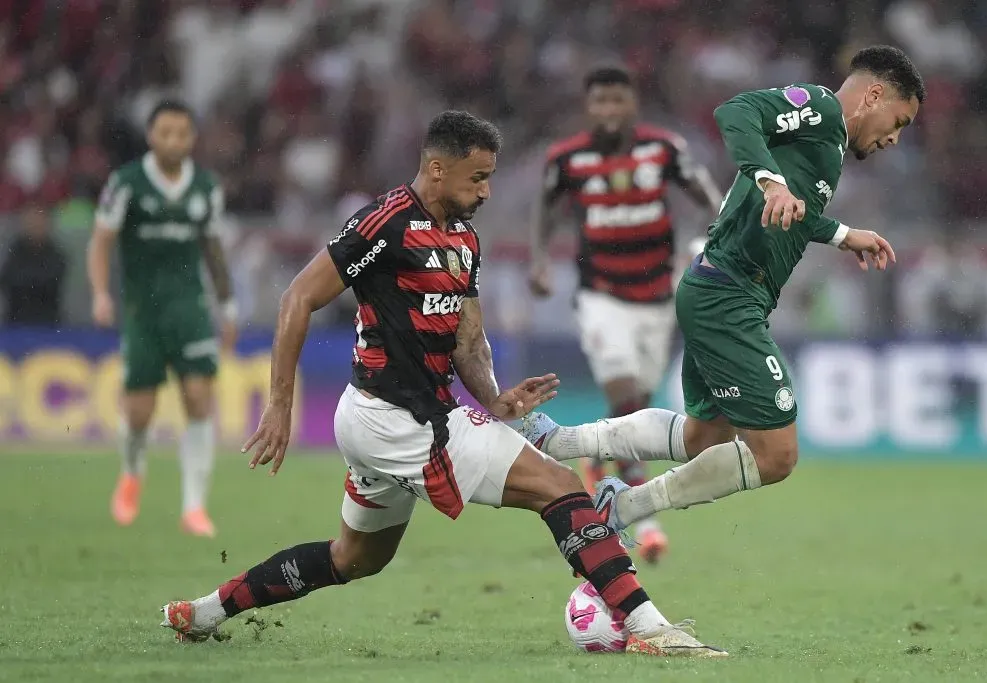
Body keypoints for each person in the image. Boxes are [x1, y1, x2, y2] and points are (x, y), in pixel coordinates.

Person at [159, 111, 726, 658]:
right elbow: (298, 298)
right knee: (559, 485)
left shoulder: (465, 241)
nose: (485, 191)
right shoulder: (386, 221)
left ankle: (203, 613)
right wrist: (279, 404)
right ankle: (650, 628)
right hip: (395, 416)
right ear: (437, 169)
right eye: (477, 177)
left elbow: (468, 342)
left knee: (354, 558)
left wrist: (495, 398)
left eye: (490, 179)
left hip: (396, 417)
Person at [516, 45, 924, 541]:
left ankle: (554, 439)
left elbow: (783, 212)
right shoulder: (819, 108)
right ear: (875, 94)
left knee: (703, 436)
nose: (895, 139)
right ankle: (622, 510)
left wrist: (839, 234)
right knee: (777, 455)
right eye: (899, 121)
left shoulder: (828, 142)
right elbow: (736, 112)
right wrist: (771, 181)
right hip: (728, 294)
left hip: (719, 287)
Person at [528, 66, 722, 563]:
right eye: (599, 103)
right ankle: (638, 509)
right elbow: (545, 207)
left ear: (632, 103)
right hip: (602, 295)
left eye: (617, 101)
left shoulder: (663, 149)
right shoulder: (567, 158)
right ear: (588, 107)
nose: (608, 112)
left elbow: (708, 197)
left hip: (658, 297)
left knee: (639, 398)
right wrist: (539, 259)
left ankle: (597, 455)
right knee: (626, 396)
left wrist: (715, 242)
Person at [88, 100, 237, 537]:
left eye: (182, 133)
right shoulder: (127, 183)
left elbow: (213, 250)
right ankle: (132, 473)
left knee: (197, 398)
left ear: (192, 138)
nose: (174, 140)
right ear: (152, 136)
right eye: (165, 132)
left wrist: (227, 307)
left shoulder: (206, 187)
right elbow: (100, 242)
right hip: (142, 312)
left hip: (189, 309)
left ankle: (194, 507)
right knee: (139, 412)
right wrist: (100, 293)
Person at [0, 203, 67, 326]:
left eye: (39, 221)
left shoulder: (56, 253)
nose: (35, 225)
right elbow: (7, 280)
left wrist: (27, 281)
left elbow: (51, 282)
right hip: (15, 321)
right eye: (31, 221)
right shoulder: (14, 251)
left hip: (48, 321)